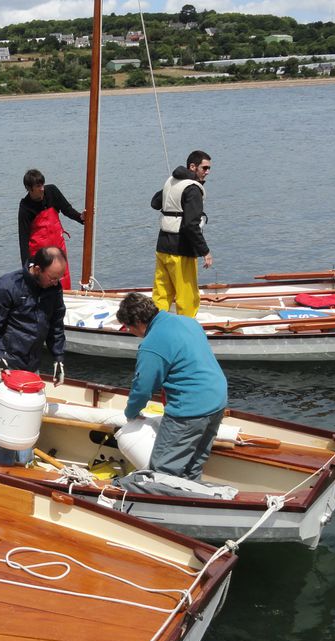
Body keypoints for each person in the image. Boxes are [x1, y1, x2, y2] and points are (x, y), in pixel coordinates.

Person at [117, 292, 227, 481]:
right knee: (194, 464)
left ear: (138, 323)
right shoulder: (188, 322)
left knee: (163, 470)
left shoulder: (151, 344)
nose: (129, 331)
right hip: (217, 399)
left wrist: (131, 413)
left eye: (128, 327)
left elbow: (143, 388)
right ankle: (192, 498)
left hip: (190, 408)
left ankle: (163, 504)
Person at [0, 246, 67, 465]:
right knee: (8, 421)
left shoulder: (53, 289)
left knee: (28, 420)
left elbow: (56, 324)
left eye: (59, 278)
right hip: (6, 364)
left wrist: (58, 357)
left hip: (31, 363)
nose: (56, 282)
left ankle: (25, 464)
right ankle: (3, 467)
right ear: (37, 269)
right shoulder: (7, 286)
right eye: (53, 277)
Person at [150, 150, 213, 318]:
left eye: (208, 169)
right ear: (192, 167)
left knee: (161, 293)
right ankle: (187, 330)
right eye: (204, 168)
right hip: (181, 250)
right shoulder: (193, 189)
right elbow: (190, 225)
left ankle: (155, 327)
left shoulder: (171, 182)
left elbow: (155, 203)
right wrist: (205, 251)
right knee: (187, 296)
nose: (207, 172)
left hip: (162, 247)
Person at [17, 168, 85, 289]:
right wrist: (27, 268)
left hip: (59, 249)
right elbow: (23, 240)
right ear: (29, 188)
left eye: (42, 184)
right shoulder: (25, 207)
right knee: (45, 284)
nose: (42, 188)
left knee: (63, 282)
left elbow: (67, 210)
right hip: (40, 255)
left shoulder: (52, 191)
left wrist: (81, 218)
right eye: (38, 186)